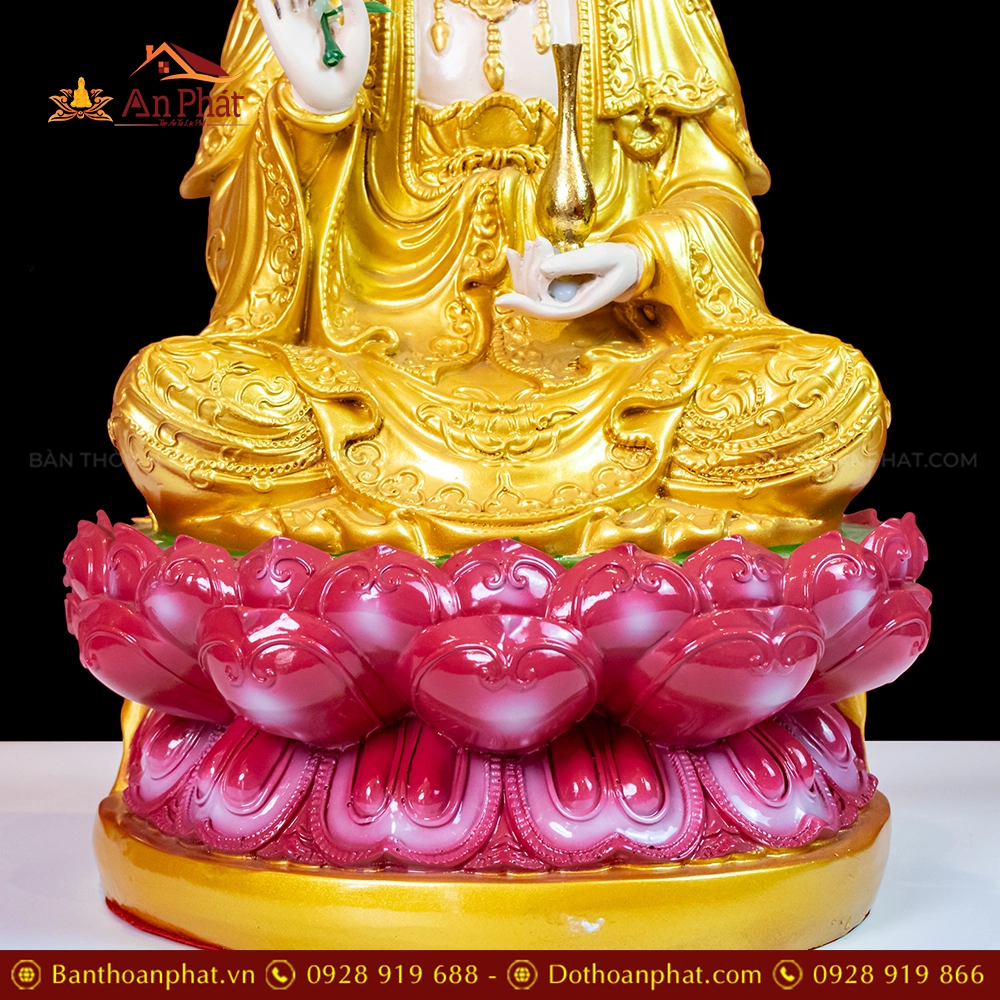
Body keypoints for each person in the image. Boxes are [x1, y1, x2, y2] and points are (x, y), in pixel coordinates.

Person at [110, 0, 886, 557]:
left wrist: (642, 257)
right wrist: (313, 112)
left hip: (612, 382)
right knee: (172, 398)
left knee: (830, 392)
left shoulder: (654, 11)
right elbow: (249, 277)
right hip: (367, 381)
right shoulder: (312, 8)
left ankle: (370, 560)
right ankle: (630, 559)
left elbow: (712, 196)